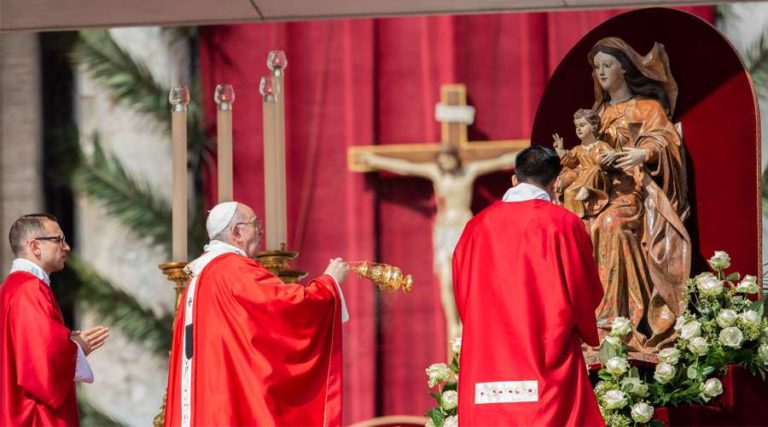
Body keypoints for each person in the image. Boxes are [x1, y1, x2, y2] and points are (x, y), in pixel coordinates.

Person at [453, 146, 604, 426]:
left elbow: (464, 298)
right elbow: (585, 290)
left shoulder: (475, 227)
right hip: (547, 357)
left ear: (514, 180)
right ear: (557, 183)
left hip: (488, 361)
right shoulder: (564, 224)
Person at [164, 201, 350, 427]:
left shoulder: (199, 276)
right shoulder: (235, 269)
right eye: (255, 224)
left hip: (205, 404)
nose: (260, 230)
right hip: (226, 407)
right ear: (236, 233)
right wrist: (329, 284)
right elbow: (286, 307)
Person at [588, 37, 691, 352]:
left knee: (612, 224)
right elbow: (584, 151)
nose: (601, 73)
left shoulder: (648, 107)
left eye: (607, 65)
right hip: (600, 193)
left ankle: (623, 319)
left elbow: (667, 142)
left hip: (637, 195)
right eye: (597, 67)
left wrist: (642, 154)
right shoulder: (599, 112)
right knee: (578, 227)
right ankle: (589, 319)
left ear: (624, 69)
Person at [360, 146, 516, 343]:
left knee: (467, 276)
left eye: (448, 159)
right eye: (442, 160)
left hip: (463, 226)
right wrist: (375, 161)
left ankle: (467, 319)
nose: (445, 163)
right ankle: (453, 323)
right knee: (446, 279)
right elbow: (406, 167)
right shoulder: (436, 174)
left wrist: (528, 152)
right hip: (444, 231)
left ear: (455, 159)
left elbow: (501, 161)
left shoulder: (469, 172)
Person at [0, 213, 109, 426]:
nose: (66, 247)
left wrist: (66, 340)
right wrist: (75, 348)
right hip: (36, 416)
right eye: (58, 239)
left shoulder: (14, 287)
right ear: (34, 246)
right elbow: (39, 362)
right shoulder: (29, 289)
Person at [553, 108, 615, 228]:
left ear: (593, 126)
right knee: (569, 192)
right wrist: (561, 152)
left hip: (599, 180)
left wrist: (612, 155)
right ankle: (576, 221)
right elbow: (571, 163)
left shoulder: (601, 146)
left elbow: (612, 158)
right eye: (576, 126)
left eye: (582, 125)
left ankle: (588, 191)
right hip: (581, 182)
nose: (578, 129)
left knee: (595, 168)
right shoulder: (578, 149)